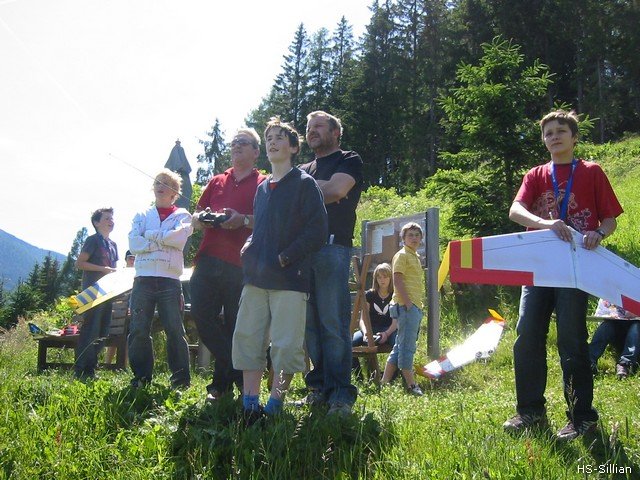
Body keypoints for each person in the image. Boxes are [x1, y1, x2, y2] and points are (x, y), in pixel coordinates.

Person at [503, 110, 624, 441]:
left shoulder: (591, 172)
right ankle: (530, 411)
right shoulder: (536, 174)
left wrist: (599, 233)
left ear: (574, 137)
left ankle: (582, 417)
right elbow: (516, 211)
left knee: (571, 340)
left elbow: (610, 219)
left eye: (560, 131)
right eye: (548, 133)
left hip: (574, 271)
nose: (554, 137)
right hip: (538, 268)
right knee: (527, 335)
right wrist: (546, 223)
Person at [232, 118, 327, 421]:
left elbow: (317, 231)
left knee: (286, 346)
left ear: (294, 147)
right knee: (247, 338)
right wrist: (249, 243)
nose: (272, 142)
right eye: (269, 138)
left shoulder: (305, 184)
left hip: (290, 279)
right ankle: (249, 405)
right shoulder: (261, 188)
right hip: (255, 279)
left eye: (279, 138)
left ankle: (275, 405)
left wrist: (287, 257)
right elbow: (260, 229)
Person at [191, 128, 267, 402]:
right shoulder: (216, 181)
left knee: (237, 325)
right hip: (208, 258)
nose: (236, 146)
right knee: (202, 317)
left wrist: (242, 220)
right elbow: (195, 218)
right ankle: (239, 375)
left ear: (256, 152)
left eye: (243, 143)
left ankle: (220, 387)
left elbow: (270, 222)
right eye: (234, 142)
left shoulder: (264, 183)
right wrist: (205, 218)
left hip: (242, 264)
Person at [298, 110, 363, 415]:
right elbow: (290, 201)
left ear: (336, 132)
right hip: (302, 251)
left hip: (333, 247)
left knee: (333, 323)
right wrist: (318, 191)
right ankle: (320, 389)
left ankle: (340, 394)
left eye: (319, 126)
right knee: (310, 325)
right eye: (309, 127)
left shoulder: (349, 159)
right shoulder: (302, 168)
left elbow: (338, 189)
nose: (312, 131)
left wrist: (303, 194)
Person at [127, 169, 193, 389]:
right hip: (143, 279)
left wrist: (149, 236)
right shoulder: (142, 214)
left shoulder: (183, 215)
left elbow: (179, 239)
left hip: (170, 280)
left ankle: (180, 380)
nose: (160, 186)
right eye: (157, 182)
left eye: (166, 183)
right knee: (138, 329)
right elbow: (133, 244)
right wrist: (163, 240)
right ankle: (141, 377)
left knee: (175, 329)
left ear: (175, 192)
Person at [380, 223, 424, 395]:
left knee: (399, 346)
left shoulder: (415, 256)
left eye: (417, 235)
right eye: (410, 235)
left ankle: (384, 383)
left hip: (413, 307)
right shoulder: (402, 255)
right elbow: (397, 281)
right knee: (407, 346)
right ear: (403, 239)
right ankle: (411, 385)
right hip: (406, 307)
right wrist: (408, 304)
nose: (414, 238)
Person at [74, 207, 118, 380]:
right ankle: (80, 370)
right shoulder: (92, 240)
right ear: (96, 222)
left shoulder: (113, 245)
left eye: (112, 218)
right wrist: (103, 269)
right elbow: (80, 263)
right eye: (107, 218)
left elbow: (114, 269)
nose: (111, 221)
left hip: (108, 292)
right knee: (90, 329)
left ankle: (91, 369)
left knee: (103, 330)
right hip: (92, 292)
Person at [352, 262, 397, 371]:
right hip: (370, 328)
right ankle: (358, 375)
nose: (382, 280)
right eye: (379, 277)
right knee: (349, 343)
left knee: (398, 343)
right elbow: (362, 319)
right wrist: (366, 332)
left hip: (389, 330)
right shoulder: (370, 295)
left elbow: (396, 322)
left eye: (385, 277)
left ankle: (393, 375)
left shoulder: (395, 295)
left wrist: (386, 334)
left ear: (390, 278)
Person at [589, 299, 640, 379]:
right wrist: (609, 316)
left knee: (636, 326)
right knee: (606, 326)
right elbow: (599, 316)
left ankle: (626, 364)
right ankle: (589, 361)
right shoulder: (607, 296)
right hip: (617, 332)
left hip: (636, 335)